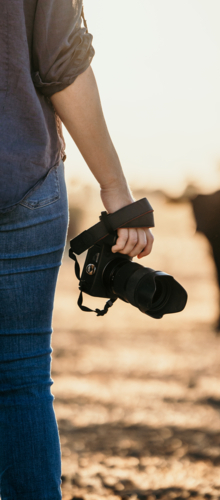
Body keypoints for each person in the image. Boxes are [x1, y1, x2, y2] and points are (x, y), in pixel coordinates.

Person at [0, 1, 154, 498]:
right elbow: (62, 58)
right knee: (22, 380)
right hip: (22, 177)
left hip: (25, 183)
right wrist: (114, 188)